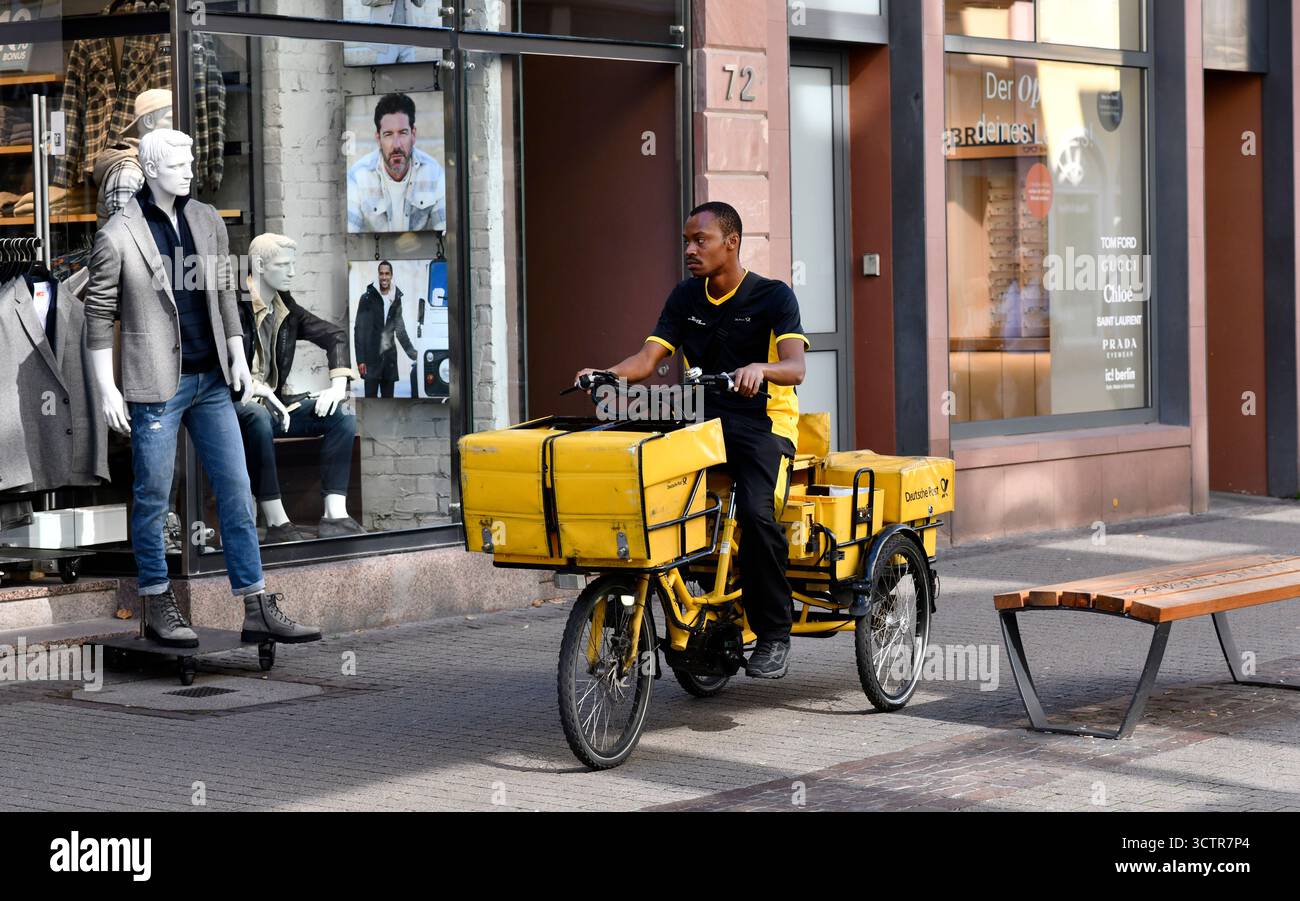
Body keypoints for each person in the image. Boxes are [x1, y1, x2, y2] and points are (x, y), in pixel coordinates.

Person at [83, 129, 320, 648]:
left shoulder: (206, 220)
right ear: (149, 169)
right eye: (180, 164)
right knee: (152, 496)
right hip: (155, 386)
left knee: (237, 491)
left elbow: (228, 293)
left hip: (212, 379)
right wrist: (106, 388)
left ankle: (256, 605)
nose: (191, 171)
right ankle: (156, 600)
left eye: (191, 162)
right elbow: (98, 316)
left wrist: (237, 352)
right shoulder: (118, 234)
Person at [574, 201, 808, 679]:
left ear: (732, 243)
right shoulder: (685, 297)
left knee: (757, 516)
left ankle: (774, 634)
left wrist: (760, 369)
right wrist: (606, 374)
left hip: (762, 425)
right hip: (699, 422)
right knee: (644, 497)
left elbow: (796, 368)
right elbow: (647, 360)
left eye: (700, 240)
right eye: (686, 241)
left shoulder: (773, 297)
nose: (689, 249)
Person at [236, 233, 365, 543]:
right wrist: (260, 390)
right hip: (235, 406)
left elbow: (334, 335)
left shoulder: (285, 308)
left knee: (342, 415)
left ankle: (335, 514)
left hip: (277, 406)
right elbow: (226, 370)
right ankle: (277, 521)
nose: (292, 272)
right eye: (284, 265)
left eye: (293, 264)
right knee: (256, 416)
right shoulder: (235, 305)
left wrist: (337, 387)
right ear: (260, 266)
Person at [346, 92, 446, 234]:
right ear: (378, 139)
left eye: (403, 133)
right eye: (388, 134)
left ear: (413, 134)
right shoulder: (358, 176)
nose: (396, 145)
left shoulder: (434, 173)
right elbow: (348, 236)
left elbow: (445, 237)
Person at [354, 260, 417, 398]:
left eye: (387, 274)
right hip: (371, 360)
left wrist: (414, 355)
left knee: (389, 404)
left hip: (389, 361)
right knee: (370, 402)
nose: (384, 277)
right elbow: (359, 331)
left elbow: (400, 330)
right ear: (378, 275)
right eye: (381, 274)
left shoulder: (396, 299)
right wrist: (361, 360)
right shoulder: (367, 298)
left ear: (391, 275)